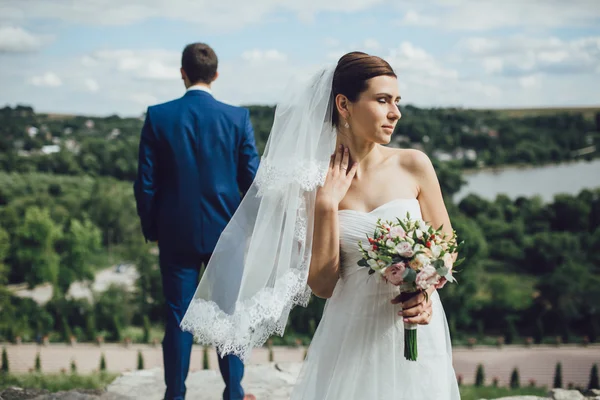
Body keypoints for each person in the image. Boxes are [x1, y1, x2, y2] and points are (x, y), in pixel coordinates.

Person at [180, 51, 459, 399]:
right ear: (344, 104)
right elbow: (324, 285)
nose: (395, 112)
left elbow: (446, 245)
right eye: (382, 100)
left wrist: (425, 288)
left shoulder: (414, 165)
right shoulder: (311, 184)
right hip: (351, 337)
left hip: (416, 330)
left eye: (397, 101)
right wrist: (327, 204)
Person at [134, 42, 259, 400]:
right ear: (216, 75)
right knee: (229, 316)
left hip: (175, 232)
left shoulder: (158, 116)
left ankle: (174, 395)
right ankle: (233, 393)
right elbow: (251, 178)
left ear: (182, 73)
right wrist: (249, 228)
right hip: (227, 233)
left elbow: (145, 182)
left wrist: (152, 227)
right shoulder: (238, 118)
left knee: (177, 317)